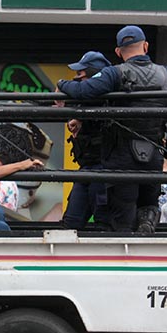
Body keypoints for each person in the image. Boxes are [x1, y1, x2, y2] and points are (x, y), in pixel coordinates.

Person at [57, 25, 167, 233]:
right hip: (153, 152)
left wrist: (62, 84)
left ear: (118, 52)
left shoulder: (114, 73)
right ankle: (146, 222)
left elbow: (84, 90)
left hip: (121, 156)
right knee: (147, 203)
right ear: (146, 46)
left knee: (122, 214)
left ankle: (126, 246)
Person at [60, 50, 112, 229]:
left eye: (80, 74)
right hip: (86, 168)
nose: (76, 78)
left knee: (104, 224)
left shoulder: (108, 96)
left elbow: (87, 95)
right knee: (70, 223)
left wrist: (62, 84)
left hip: (106, 169)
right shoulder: (81, 96)